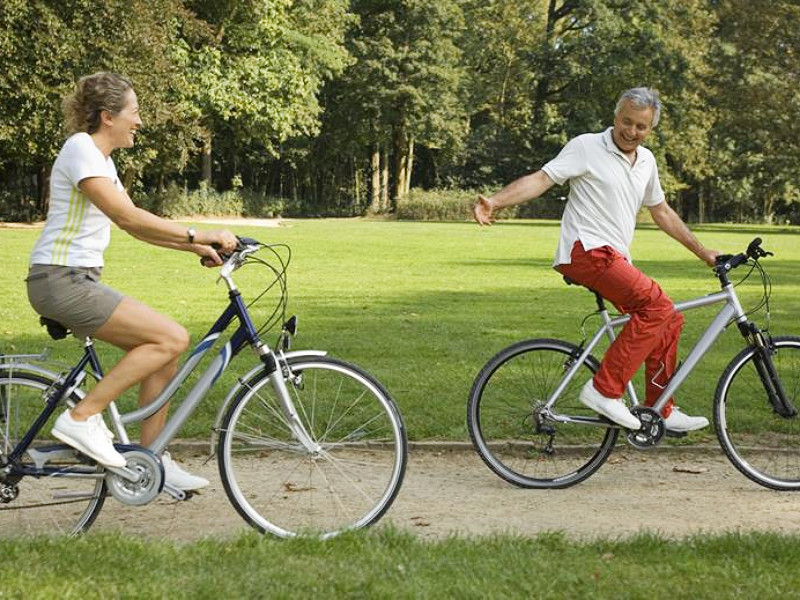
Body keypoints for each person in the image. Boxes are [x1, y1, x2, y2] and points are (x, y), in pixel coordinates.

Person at [26, 72, 238, 490]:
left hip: (73, 278)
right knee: (170, 338)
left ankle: (153, 459)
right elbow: (128, 217)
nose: (139, 122)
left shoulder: (102, 161)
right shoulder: (81, 149)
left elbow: (136, 226)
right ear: (108, 116)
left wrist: (196, 248)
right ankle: (81, 418)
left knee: (165, 353)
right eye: (134, 113)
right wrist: (201, 232)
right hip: (61, 279)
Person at [473, 87, 719, 433]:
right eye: (626, 122)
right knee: (657, 306)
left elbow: (661, 211)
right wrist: (495, 202)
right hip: (585, 251)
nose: (631, 132)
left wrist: (702, 251)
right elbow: (543, 178)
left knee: (669, 320)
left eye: (641, 127)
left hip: (614, 257)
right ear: (615, 117)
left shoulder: (647, 162)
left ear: (651, 130)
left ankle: (660, 408)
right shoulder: (586, 146)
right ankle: (604, 390)